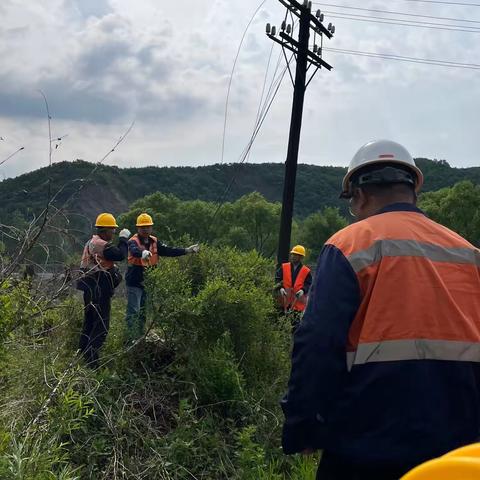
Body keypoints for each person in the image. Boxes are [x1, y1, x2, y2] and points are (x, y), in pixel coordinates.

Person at [281, 140, 480, 480]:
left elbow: (317, 342)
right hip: (460, 451)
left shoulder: (348, 244)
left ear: (358, 195)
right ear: (413, 191)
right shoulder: (469, 253)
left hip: (367, 447)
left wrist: (304, 424)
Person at [125, 213, 199, 340]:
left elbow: (168, 250)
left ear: (151, 227)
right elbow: (133, 250)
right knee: (133, 311)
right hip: (134, 282)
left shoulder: (154, 241)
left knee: (143, 311)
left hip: (148, 283)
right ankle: (130, 338)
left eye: (148, 227)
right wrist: (142, 253)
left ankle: (140, 336)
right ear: (138, 228)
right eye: (143, 227)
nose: (145, 229)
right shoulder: (133, 241)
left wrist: (187, 250)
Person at [77, 213, 130, 368]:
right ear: (105, 230)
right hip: (99, 288)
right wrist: (123, 239)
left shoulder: (91, 242)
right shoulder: (101, 244)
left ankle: (81, 356)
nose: (113, 233)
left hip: (90, 287)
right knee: (101, 326)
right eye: (112, 230)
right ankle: (91, 363)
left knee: (89, 323)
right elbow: (120, 255)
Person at [275, 245, 312, 329]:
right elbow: (278, 279)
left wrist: (303, 290)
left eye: (296, 255)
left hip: (297, 303)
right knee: (280, 325)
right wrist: (280, 288)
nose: (293, 256)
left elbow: (308, 284)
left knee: (295, 326)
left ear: (301, 257)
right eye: (292, 254)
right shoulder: (284, 267)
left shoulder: (306, 271)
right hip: (283, 300)